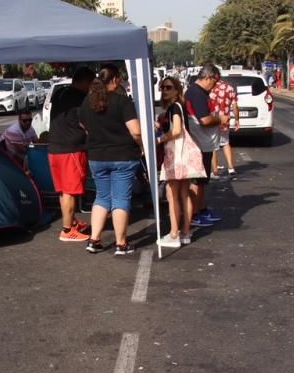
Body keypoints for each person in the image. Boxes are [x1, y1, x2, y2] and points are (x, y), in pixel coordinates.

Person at [79, 64, 142, 255]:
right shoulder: (123, 102)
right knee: (120, 199)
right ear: (114, 79)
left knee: (102, 197)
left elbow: (83, 124)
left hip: (97, 157)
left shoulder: (87, 102)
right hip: (123, 156)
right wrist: (141, 146)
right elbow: (136, 131)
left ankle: (94, 240)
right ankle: (121, 243)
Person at [48, 66, 93, 242]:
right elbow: (85, 123)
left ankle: (72, 222)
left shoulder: (60, 93)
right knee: (70, 191)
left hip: (54, 147)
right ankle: (67, 230)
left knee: (63, 191)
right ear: (86, 82)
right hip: (71, 149)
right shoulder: (81, 98)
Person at [185, 64, 225, 229]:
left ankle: (201, 209)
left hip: (202, 142)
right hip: (199, 143)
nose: (214, 86)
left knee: (202, 180)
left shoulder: (197, 92)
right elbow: (205, 120)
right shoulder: (197, 94)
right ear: (208, 77)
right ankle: (194, 213)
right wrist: (219, 119)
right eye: (214, 82)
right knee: (197, 180)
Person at [155, 76, 192, 247]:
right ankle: (185, 232)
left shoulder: (174, 108)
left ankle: (173, 233)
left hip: (175, 154)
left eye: (168, 87)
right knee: (184, 195)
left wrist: (161, 139)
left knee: (172, 195)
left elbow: (176, 131)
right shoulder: (180, 106)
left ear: (177, 90)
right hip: (185, 155)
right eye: (162, 87)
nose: (164, 90)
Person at [210, 77, 239, 178]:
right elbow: (235, 106)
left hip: (212, 121)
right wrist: (237, 120)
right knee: (226, 143)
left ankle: (215, 171)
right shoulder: (230, 88)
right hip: (225, 121)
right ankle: (231, 167)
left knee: (213, 146)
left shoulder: (211, 88)